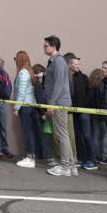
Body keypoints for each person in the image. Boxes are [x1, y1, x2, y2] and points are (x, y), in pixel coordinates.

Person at [39, 36, 75, 177]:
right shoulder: (55, 61)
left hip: (59, 103)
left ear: (54, 47)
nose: (44, 48)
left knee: (61, 135)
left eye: (46, 46)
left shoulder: (58, 61)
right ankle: (71, 166)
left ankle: (66, 166)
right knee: (63, 134)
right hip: (58, 102)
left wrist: (51, 103)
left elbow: (59, 84)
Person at [65, 53, 95, 170]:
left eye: (78, 64)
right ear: (69, 65)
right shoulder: (67, 77)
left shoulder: (83, 77)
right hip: (73, 111)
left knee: (87, 135)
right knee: (77, 135)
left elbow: (89, 93)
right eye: (75, 64)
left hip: (84, 111)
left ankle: (91, 160)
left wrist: (85, 107)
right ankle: (81, 158)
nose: (78, 66)